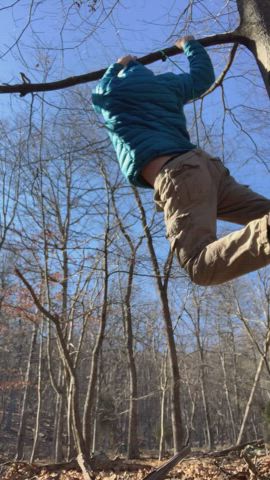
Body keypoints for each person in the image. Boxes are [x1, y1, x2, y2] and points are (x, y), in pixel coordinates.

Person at [92, 36, 270, 286]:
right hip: (203, 169)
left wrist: (118, 64)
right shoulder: (167, 85)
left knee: (201, 266)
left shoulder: (112, 94)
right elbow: (202, 77)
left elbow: (98, 93)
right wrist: (190, 46)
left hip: (180, 176)